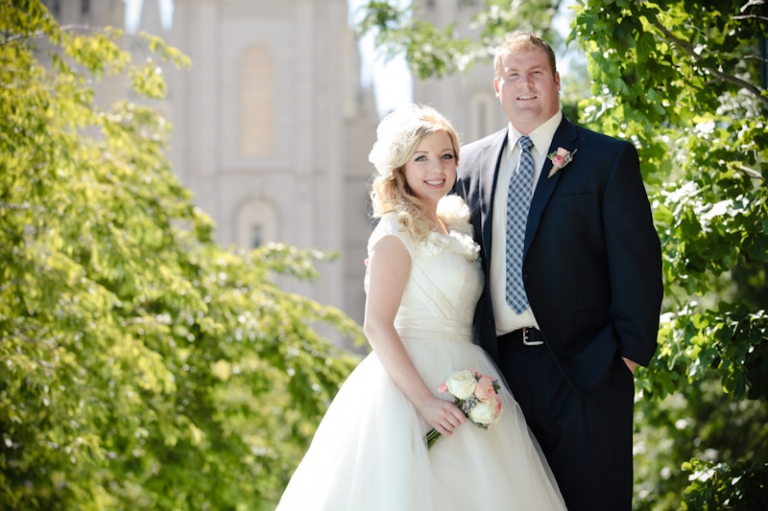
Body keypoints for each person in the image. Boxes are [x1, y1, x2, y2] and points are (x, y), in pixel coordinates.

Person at [275, 104, 566, 510]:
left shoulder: (453, 225)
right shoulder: (396, 230)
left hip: (468, 373)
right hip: (413, 386)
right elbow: (376, 325)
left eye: (446, 156)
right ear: (401, 168)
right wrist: (425, 402)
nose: (437, 168)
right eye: (422, 158)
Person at [454, 31, 663, 510]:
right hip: (496, 376)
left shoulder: (606, 159)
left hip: (587, 373)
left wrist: (623, 360)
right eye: (513, 75)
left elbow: (639, 264)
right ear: (497, 87)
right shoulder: (470, 165)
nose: (524, 85)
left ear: (556, 81)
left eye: (535, 73)